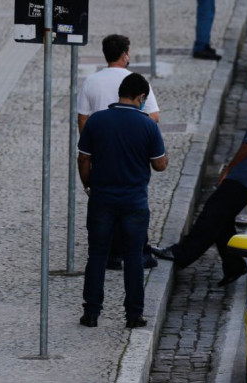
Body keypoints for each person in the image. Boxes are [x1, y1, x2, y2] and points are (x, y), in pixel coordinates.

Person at [151, 69, 247, 286]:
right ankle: (234, 266)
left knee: (211, 216)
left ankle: (181, 253)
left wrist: (229, 169)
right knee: (222, 222)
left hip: (243, 178)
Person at [77, 73, 168, 328]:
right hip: (134, 203)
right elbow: (160, 165)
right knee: (133, 257)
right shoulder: (148, 125)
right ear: (140, 97)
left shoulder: (97, 121)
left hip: (102, 199)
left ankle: (91, 313)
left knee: (96, 255)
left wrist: (88, 185)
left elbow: (83, 158)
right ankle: (133, 315)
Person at [77, 34, 161, 270]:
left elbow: (83, 119)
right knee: (136, 200)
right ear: (125, 54)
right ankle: (140, 252)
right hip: (133, 149)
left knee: (105, 202)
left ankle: (112, 254)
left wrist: (91, 146)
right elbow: (154, 116)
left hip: (102, 150)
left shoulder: (91, 82)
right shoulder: (135, 81)